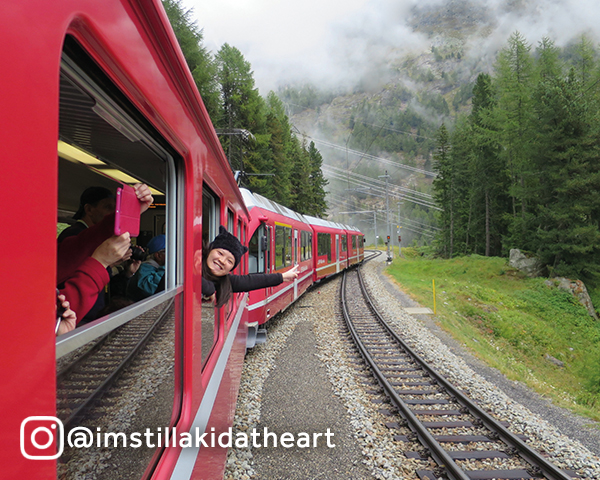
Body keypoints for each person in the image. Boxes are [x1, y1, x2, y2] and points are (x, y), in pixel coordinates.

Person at [56, 183, 153, 321]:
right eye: (108, 207)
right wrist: (102, 262)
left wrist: (128, 212)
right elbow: (68, 279)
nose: (113, 212)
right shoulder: (72, 233)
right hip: (76, 316)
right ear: (89, 209)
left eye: (116, 209)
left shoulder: (83, 237)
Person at [200, 226, 299, 308]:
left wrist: (282, 277)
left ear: (231, 269)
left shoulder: (224, 281)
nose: (222, 261)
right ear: (210, 250)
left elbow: (250, 281)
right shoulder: (192, 262)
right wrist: (209, 289)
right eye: (220, 253)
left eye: (230, 261)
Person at [59, 234, 132, 324]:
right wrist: (101, 261)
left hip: (91, 315)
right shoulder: (74, 232)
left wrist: (109, 265)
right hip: (80, 318)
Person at [127, 234, 166, 301]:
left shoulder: (156, 268)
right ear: (158, 255)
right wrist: (168, 266)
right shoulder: (144, 268)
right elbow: (153, 289)